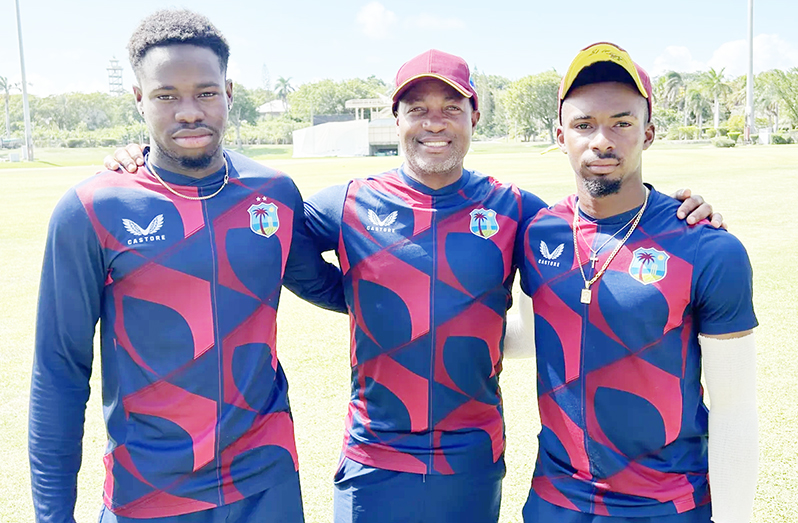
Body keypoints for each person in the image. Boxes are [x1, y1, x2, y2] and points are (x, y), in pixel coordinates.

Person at [104, 49, 721, 523]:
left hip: (471, 458)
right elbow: (266, 233)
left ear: (474, 116)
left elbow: (597, 231)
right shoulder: (348, 203)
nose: (435, 123)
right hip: (374, 460)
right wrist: (154, 156)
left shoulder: (515, 211)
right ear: (394, 117)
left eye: (451, 107)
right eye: (417, 109)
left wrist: (682, 210)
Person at [29, 10, 346, 523]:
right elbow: (58, 372)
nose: (188, 111)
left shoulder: (273, 194)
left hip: (265, 484)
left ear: (228, 91)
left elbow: (332, 287)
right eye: (165, 95)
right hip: (149, 494)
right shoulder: (92, 208)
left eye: (204, 92)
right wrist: (52, 515)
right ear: (139, 99)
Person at [512, 42, 758, 523]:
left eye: (621, 123)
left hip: (666, 507)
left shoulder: (707, 248)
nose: (601, 140)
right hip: (555, 505)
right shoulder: (538, 231)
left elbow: (735, 409)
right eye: (584, 125)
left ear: (647, 133)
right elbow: (526, 336)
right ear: (560, 135)